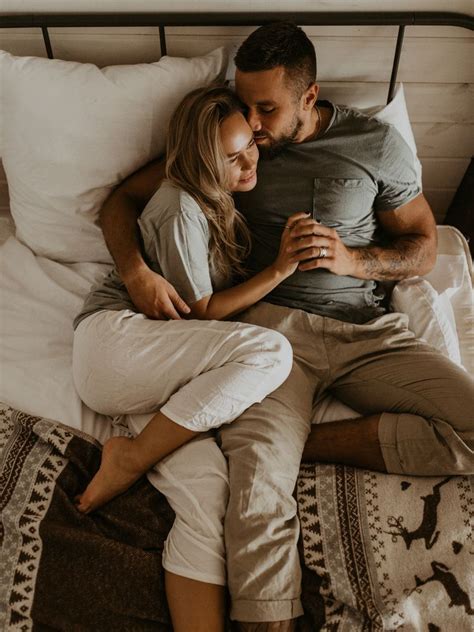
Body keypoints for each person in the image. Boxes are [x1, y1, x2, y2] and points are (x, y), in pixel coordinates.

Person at [96, 22, 474, 632]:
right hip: (268, 337)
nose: (253, 123)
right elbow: (121, 200)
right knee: (256, 496)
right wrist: (136, 271)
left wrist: (356, 261)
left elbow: (425, 245)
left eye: (267, 109)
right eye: (245, 103)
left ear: (309, 96)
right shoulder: (231, 141)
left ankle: (311, 444)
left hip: (365, 332)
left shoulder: (374, 144)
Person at [71, 85, 308, 632]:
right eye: (231, 156)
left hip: (143, 373)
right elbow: (202, 312)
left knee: (209, 498)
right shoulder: (179, 206)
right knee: (271, 351)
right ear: (202, 161)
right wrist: (279, 270)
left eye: (249, 143)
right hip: (117, 343)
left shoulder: (208, 196)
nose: (250, 160)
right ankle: (129, 458)